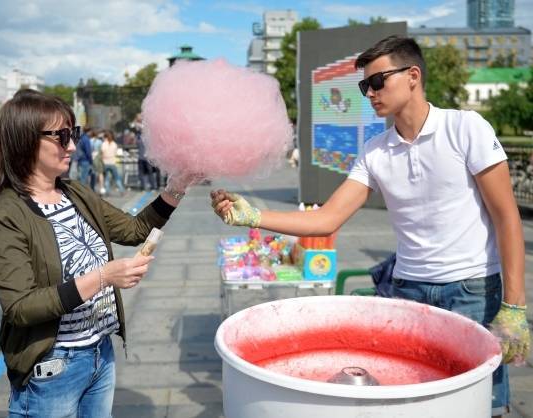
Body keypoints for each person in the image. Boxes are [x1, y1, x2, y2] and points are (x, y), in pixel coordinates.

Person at [211, 36, 529, 417]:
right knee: (415, 402)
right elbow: (327, 217)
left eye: (377, 82)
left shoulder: (465, 128)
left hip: (472, 289)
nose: (370, 93)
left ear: (413, 76)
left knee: (481, 405)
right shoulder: (375, 150)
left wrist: (514, 304)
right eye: (365, 86)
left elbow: (506, 216)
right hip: (408, 291)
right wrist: (253, 216)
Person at [0, 90, 192, 417]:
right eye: (62, 136)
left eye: (74, 134)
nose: (72, 145)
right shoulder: (7, 213)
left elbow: (134, 229)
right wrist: (104, 277)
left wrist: (177, 186)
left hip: (100, 353)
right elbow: (20, 307)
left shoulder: (75, 192)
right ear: (26, 140)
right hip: (54, 366)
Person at [101, 130, 125, 196]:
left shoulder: (104, 144)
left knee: (107, 178)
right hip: (113, 162)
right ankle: (121, 190)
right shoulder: (114, 144)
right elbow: (116, 153)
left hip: (105, 163)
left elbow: (102, 153)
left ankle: (107, 191)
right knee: (117, 178)